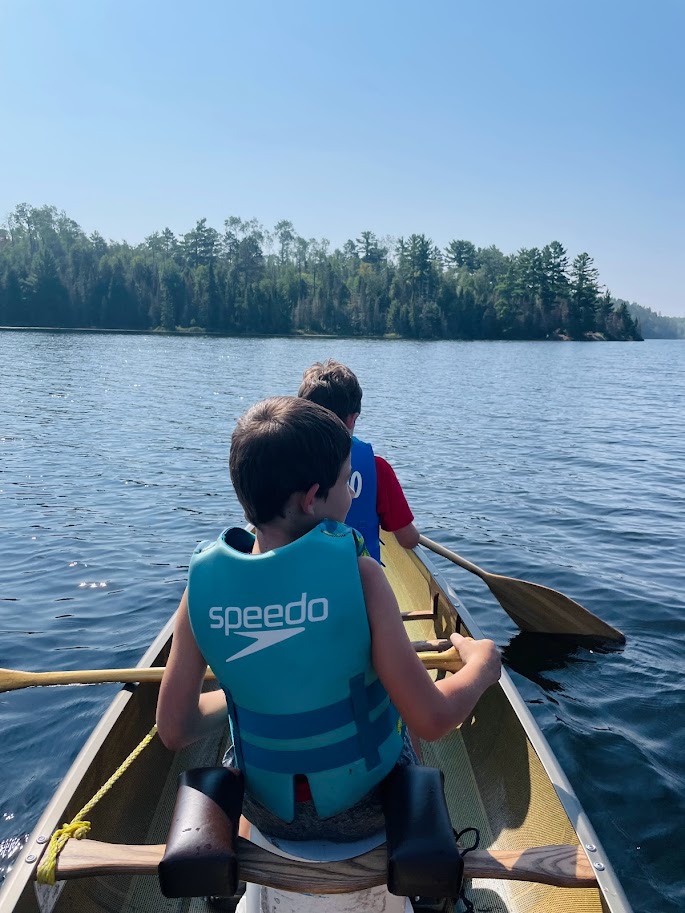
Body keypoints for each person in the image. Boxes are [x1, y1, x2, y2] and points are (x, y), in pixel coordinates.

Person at [156, 396, 500, 844]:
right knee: (401, 730)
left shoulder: (200, 590)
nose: (352, 493)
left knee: (236, 752)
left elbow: (175, 729)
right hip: (367, 803)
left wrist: (240, 694)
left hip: (263, 809)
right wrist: (481, 665)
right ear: (314, 498)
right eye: (345, 483)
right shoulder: (363, 577)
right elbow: (432, 720)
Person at [297, 359, 418, 562]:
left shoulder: (282, 460)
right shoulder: (378, 469)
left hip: (300, 578)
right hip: (358, 581)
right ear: (353, 418)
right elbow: (408, 539)